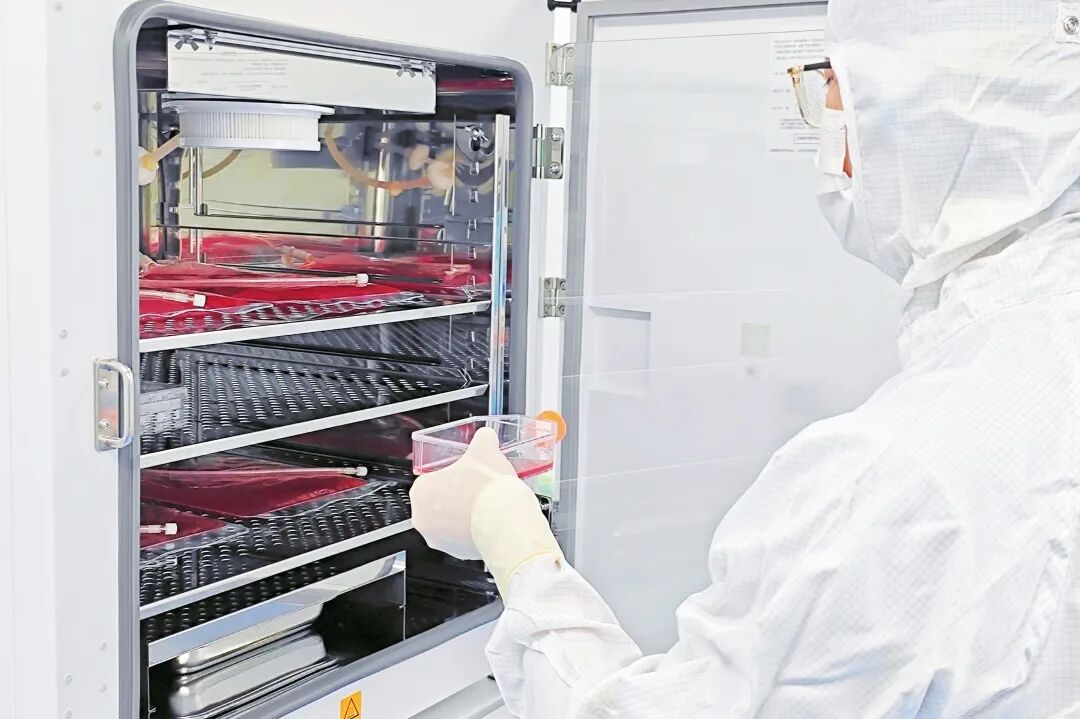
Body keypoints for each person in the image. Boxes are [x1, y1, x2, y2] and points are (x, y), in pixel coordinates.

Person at [410, 0, 1080, 715]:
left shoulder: (897, 475)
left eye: (832, 93)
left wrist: (512, 540)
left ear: (910, 116)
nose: (832, 143)